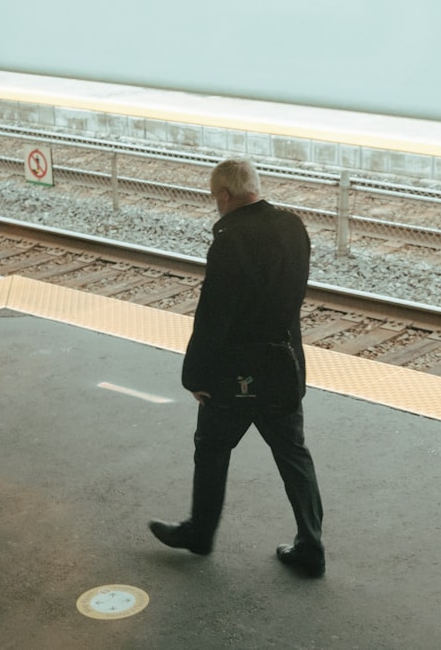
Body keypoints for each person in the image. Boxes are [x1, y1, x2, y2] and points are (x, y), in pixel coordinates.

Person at [148, 157, 325, 577]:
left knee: (211, 451)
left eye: (215, 199)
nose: (216, 206)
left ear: (225, 196)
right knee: (294, 457)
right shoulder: (293, 227)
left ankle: (201, 534)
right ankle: (311, 546)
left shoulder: (230, 238)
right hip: (283, 368)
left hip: (234, 376)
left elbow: (214, 315)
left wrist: (194, 374)